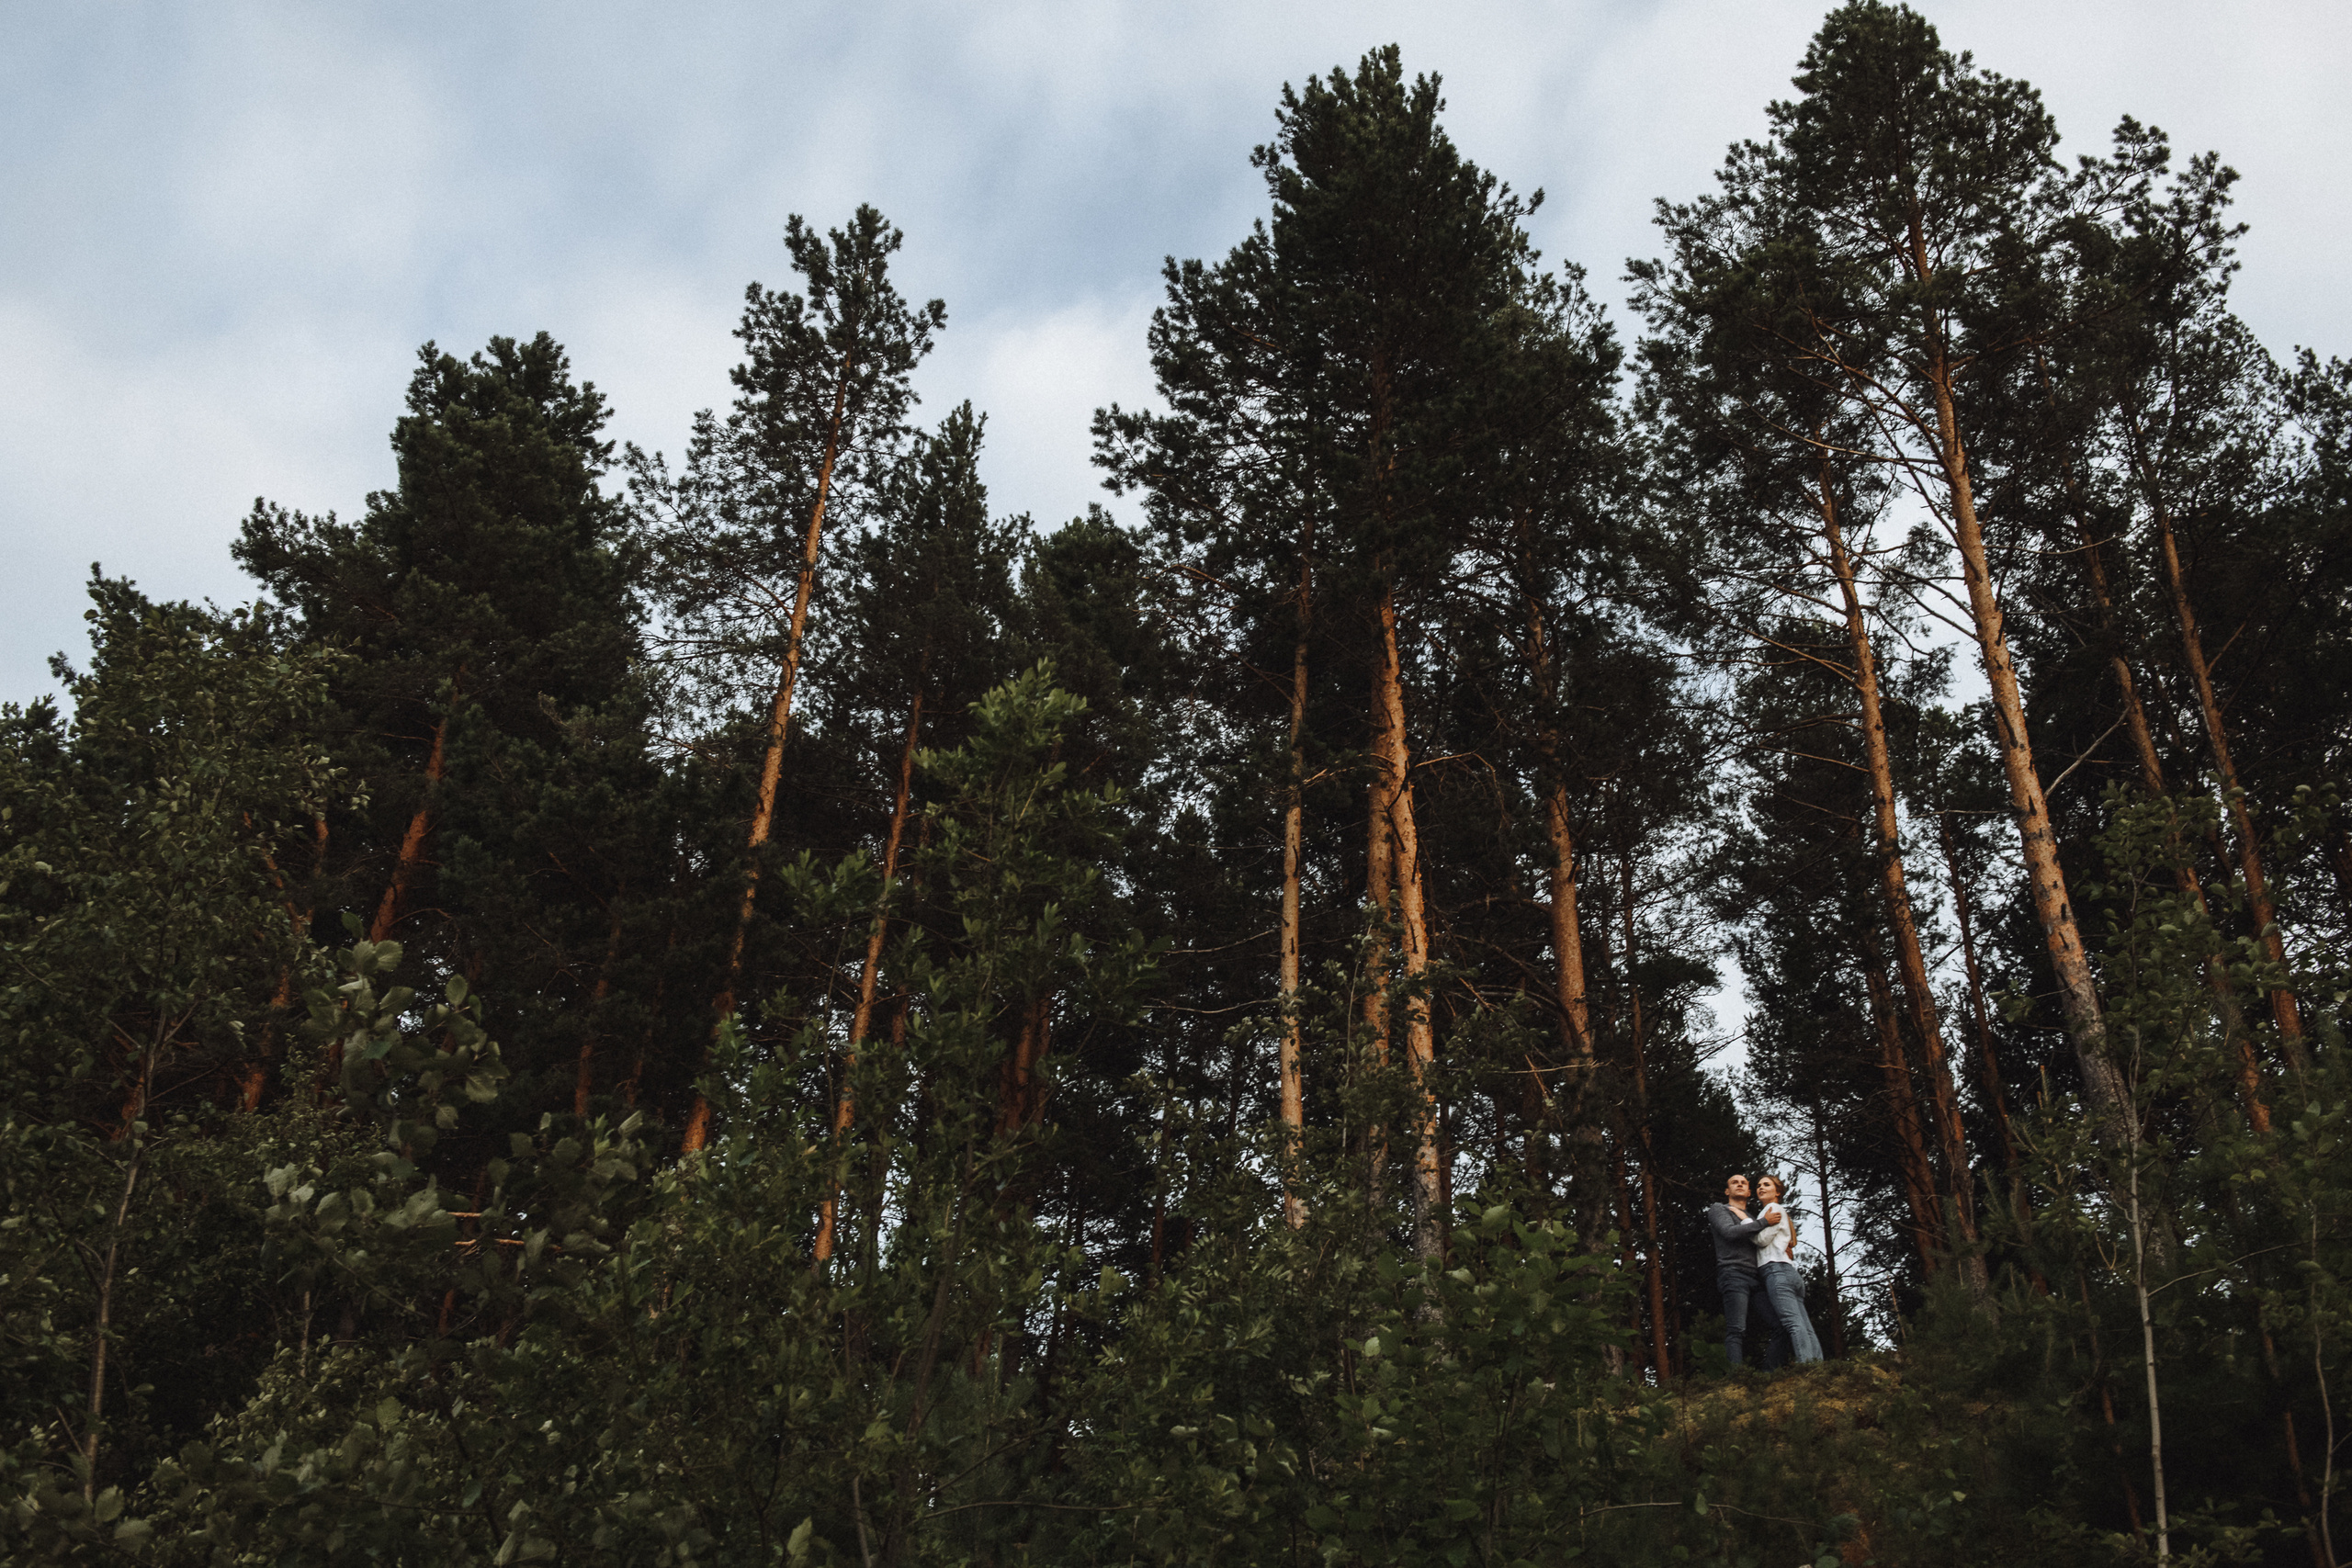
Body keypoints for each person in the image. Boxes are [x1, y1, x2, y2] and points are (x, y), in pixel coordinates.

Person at [1705, 1173, 1783, 1370]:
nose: (1739, 1184)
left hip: (1757, 1278)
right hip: (1733, 1273)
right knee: (1736, 1329)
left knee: (1780, 1325)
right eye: (1734, 1182)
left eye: (1743, 1183)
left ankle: (1769, 1375)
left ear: (1749, 1192)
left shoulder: (1753, 1218)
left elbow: (1764, 1242)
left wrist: (1786, 1245)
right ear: (1727, 1191)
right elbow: (1729, 1232)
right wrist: (1764, 1222)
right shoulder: (1719, 1209)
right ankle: (1736, 1381)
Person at [1750, 1174, 1824, 1364]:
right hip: (1789, 1273)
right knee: (1805, 1326)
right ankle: (1817, 1366)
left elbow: (1761, 1239)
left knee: (1793, 1323)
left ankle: (1806, 1367)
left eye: (1767, 1184)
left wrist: (1746, 1226)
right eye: (1758, 1185)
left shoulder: (1771, 1208)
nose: (1761, 1187)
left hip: (1776, 1271)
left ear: (1778, 1192)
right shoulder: (1779, 1210)